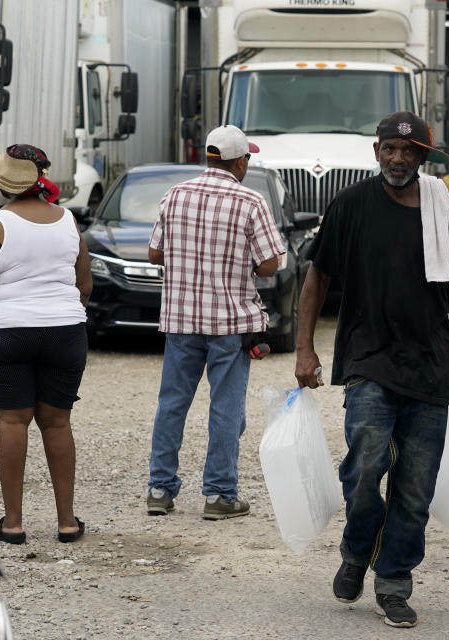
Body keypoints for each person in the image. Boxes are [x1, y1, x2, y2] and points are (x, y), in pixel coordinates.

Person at [294, 111, 449, 628]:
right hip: (368, 355)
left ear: (423, 158)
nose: (398, 159)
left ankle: (394, 580)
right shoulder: (351, 205)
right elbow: (316, 280)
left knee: (415, 486)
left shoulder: (438, 204)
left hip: (428, 360)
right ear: (376, 151)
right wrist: (304, 350)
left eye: (409, 152)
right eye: (390, 149)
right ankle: (358, 550)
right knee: (365, 466)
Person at [145, 125, 285, 520]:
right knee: (225, 408)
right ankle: (220, 495)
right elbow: (270, 265)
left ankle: (160, 488)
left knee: (171, 404)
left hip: (181, 319)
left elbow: (155, 254)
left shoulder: (175, 196)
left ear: (209, 157)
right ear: (240, 161)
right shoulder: (251, 201)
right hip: (230, 323)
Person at [0, 144, 92, 545]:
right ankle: (67, 522)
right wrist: (62, 316)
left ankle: (13, 523)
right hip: (65, 330)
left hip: (6, 332)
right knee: (58, 422)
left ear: (4, 184)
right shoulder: (69, 221)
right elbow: (84, 285)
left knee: (12, 421)